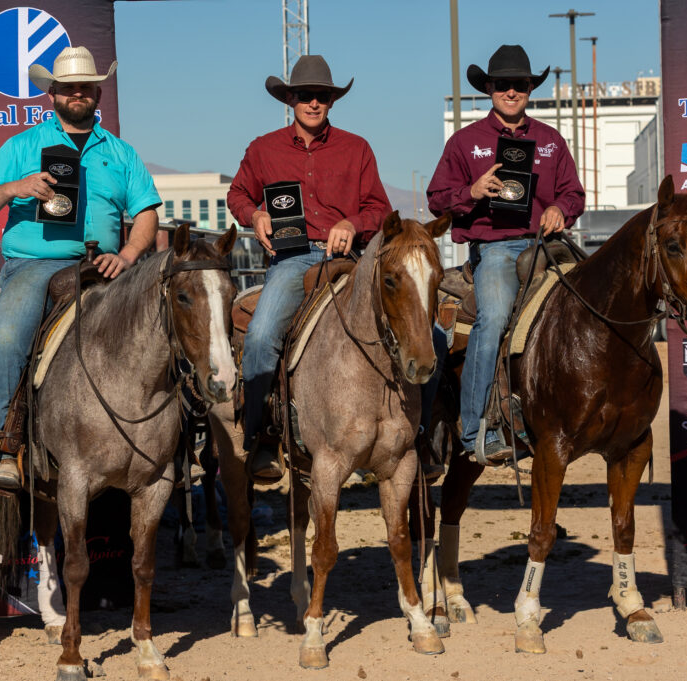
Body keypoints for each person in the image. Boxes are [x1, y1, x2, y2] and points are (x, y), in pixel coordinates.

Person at [0, 46, 161, 491]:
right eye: (69, 87)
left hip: (104, 266)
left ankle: (166, 439)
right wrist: (18, 186)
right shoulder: (23, 145)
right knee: (6, 339)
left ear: (98, 93)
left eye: (86, 87)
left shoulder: (121, 153)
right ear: (52, 93)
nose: (78, 93)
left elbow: (147, 213)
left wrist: (128, 256)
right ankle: (6, 446)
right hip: (35, 264)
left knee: (164, 328)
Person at [228, 55, 392, 482]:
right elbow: (237, 194)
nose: (313, 103)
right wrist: (255, 216)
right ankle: (262, 435)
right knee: (261, 334)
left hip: (349, 259)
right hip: (293, 257)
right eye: (305, 95)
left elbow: (380, 209)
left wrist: (352, 223)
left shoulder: (357, 148)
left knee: (415, 328)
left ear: (332, 101)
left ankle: (412, 434)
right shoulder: (263, 149)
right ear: (290, 100)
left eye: (321, 96)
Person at [426, 44, 585, 465]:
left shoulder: (551, 141)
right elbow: (437, 199)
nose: (511, 92)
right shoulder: (465, 142)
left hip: (548, 245)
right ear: (489, 89)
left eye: (519, 85)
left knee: (593, 302)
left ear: (530, 88)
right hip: (495, 247)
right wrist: (472, 191)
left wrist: (560, 208)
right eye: (502, 85)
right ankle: (476, 430)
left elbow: (574, 192)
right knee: (494, 317)